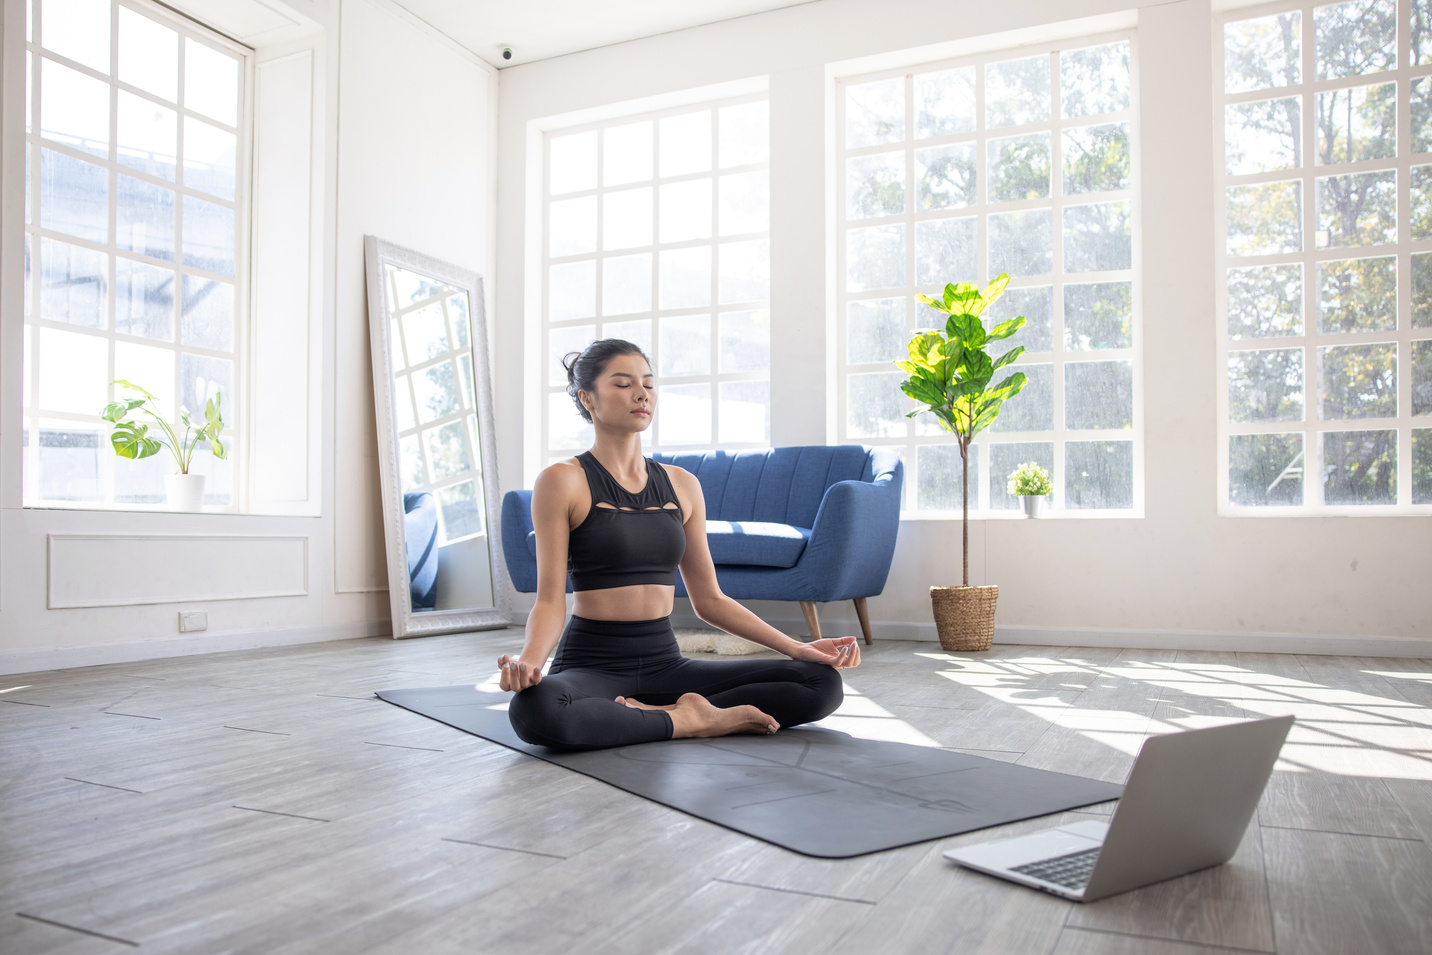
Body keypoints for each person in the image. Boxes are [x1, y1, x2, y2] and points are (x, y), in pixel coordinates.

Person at [500, 338, 861, 750]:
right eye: (622, 383)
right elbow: (549, 600)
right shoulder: (562, 480)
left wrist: (799, 648)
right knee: (537, 711)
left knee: (819, 682)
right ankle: (688, 720)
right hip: (593, 664)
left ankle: (663, 716)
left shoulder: (682, 484)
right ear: (588, 399)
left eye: (648, 384)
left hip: (665, 663)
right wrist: (529, 661)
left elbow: (710, 599)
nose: (641, 394)